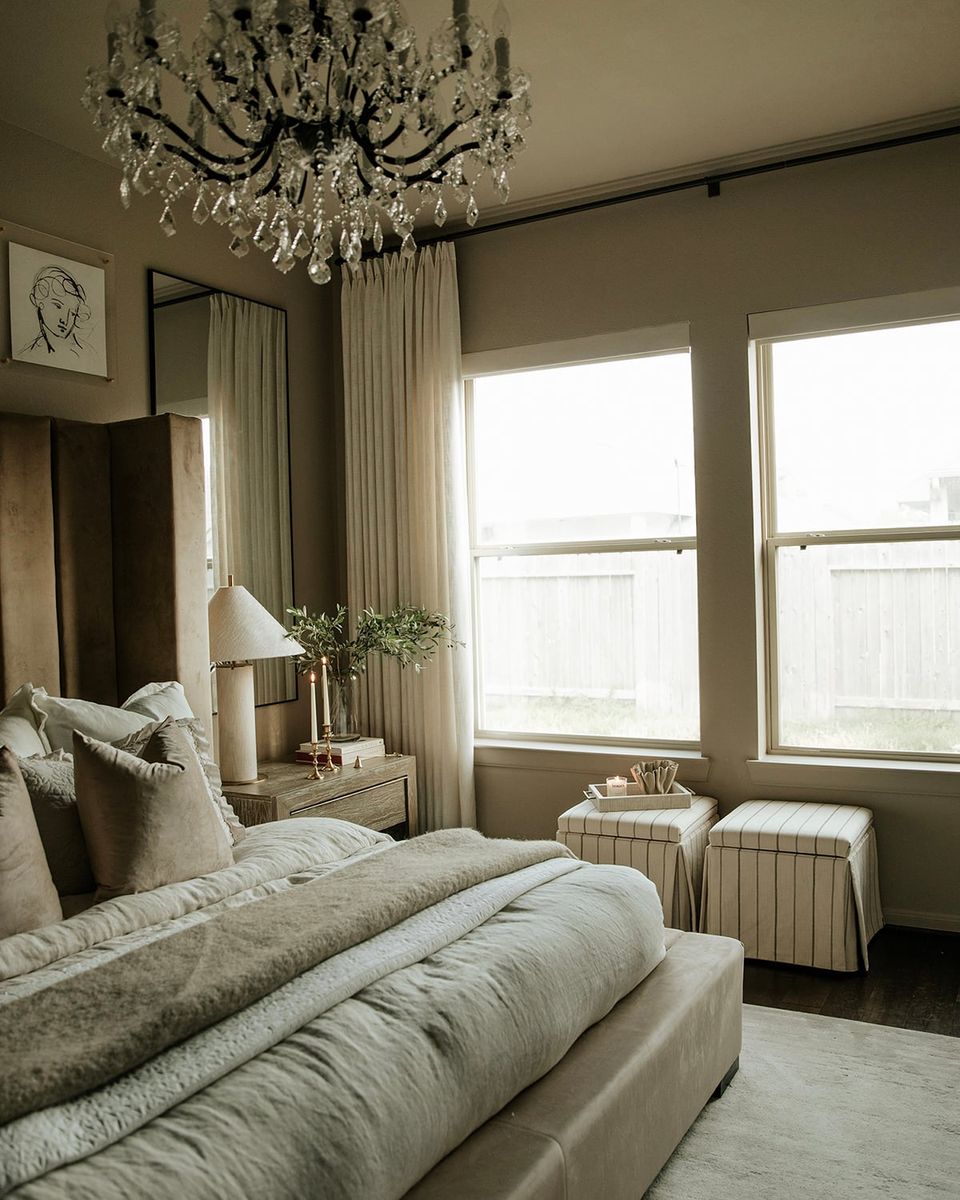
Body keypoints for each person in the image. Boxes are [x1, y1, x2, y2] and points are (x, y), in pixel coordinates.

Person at [20, 264, 91, 362]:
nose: (65, 321)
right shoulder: (28, 354)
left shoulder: (88, 355)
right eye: (58, 306)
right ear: (39, 302)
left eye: (73, 313)